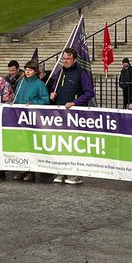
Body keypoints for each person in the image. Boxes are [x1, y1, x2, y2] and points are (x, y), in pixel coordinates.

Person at [49, 48, 95, 185]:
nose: (65, 61)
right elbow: (55, 89)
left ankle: (77, 173)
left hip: (76, 114)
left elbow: (89, 92)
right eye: (64, 58)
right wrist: (53, 94)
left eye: (68, 59)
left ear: (75, 60)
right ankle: (62, 171)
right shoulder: (60, 72)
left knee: (75, 144)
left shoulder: (82, 73)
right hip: (60, 114)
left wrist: (75, 102)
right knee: (61, 143)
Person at [10, 60, 50, 182]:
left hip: (33, 118)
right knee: (21, 144)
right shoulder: (21, 82)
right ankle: (23, 169)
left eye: (30, 70)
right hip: (20, 117)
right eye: (26, 69)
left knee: (31, 144)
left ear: (35, 71)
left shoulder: (39, 84)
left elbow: (46, 100)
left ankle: (31, 171)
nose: (27, 72)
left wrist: (33, 103)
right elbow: (16, 98)